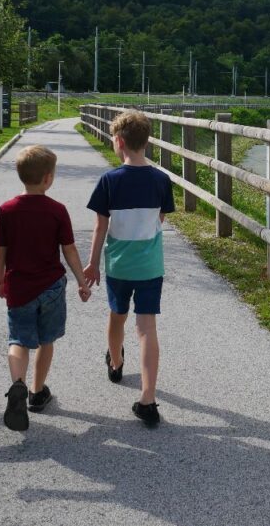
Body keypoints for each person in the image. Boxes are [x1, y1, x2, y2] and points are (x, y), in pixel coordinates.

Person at [84, 110, 174, 427]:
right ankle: (147, 399)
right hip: (150, 265)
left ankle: (117, 361)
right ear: (145, 142)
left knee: (117, 316)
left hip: (119, 265)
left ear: (119, 142)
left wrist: (93, 263)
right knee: (147, 328)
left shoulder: (109, 181)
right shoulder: (161, 180)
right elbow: (159, 219)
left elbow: (99, 228)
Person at [0, 144, 91, 432]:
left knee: (18, 341)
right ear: (48, 178)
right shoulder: (57, 210)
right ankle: (37, 392)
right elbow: (69, 250)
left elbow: (0, 251)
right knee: (46, 340)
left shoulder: (6, 210)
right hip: (50, 287)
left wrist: (0, 280)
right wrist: (81, 281)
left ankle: (17, 384)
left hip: (19, 287)